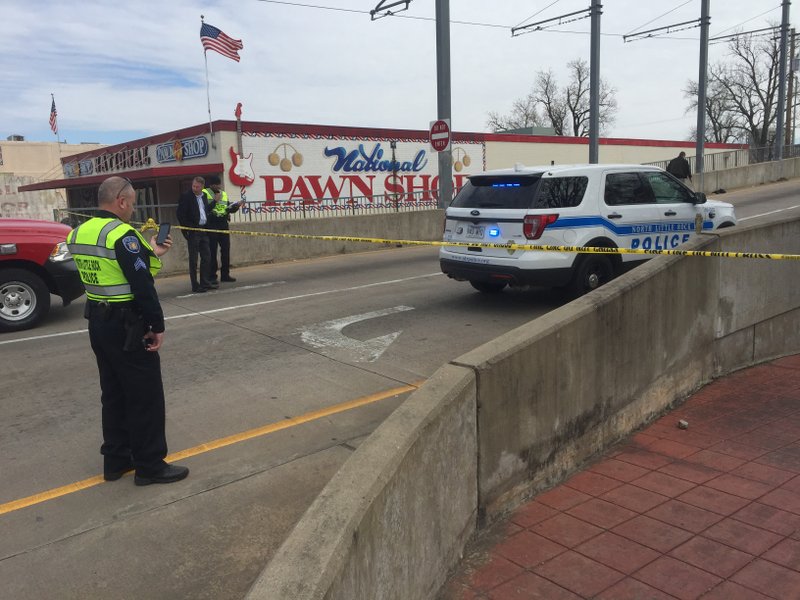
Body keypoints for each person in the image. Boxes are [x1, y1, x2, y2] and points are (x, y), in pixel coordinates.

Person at [66, 175, 189, 486]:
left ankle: (116, 460)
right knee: (145, 395)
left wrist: (151, 254)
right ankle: (150, 466)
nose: (133, 210)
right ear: (121, 202)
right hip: (127, 324)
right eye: (132, 204)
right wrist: (157, 326)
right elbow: (141, 285)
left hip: (98, 322)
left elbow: (113, 271)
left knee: (114, 393)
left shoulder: (78, 233)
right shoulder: (123, 235)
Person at [177, 176, 215, 293]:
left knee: (207, 257)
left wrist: (213, 204)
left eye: (197, 187)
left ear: (202, 187)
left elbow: (204, 211)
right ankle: (195, 285)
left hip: (203, 230)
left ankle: (205, 281)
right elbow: (180, 214)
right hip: (193, 231)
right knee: (193, 260)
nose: (195, 188)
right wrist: (188, 228)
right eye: (193, 186)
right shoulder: (186, 196)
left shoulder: (203, 196)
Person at [203, 175, 241, 283]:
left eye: (219, 184)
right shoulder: (205, 193)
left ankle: (225, 275)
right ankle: (212, 276)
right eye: (216, 184)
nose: (219, 186)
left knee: (225, 250)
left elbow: (226, 209)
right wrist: (215, 201)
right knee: (212, 251)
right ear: (211, 185)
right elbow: (205, 209)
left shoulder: (223, 194)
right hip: (211, 225)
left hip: (223, 224)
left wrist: (235, 207)